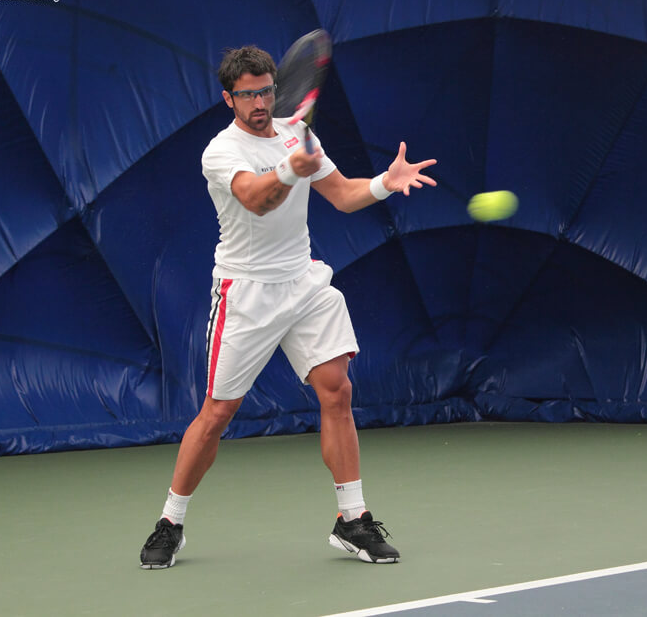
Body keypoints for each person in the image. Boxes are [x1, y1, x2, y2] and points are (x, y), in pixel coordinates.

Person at [139, 45, 437, 569]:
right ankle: (171, 522)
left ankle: (352, 519)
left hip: (303, 283)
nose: (259, 102)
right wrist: (289, 168)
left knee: (337, 390)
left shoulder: (300, 134)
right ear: (229, 99)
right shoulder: (220, 151)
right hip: (245, 293)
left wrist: (383, 184)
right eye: (247, 95)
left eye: (266, 91)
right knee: (217, 413)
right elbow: (256, 199)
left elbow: (342, 194)